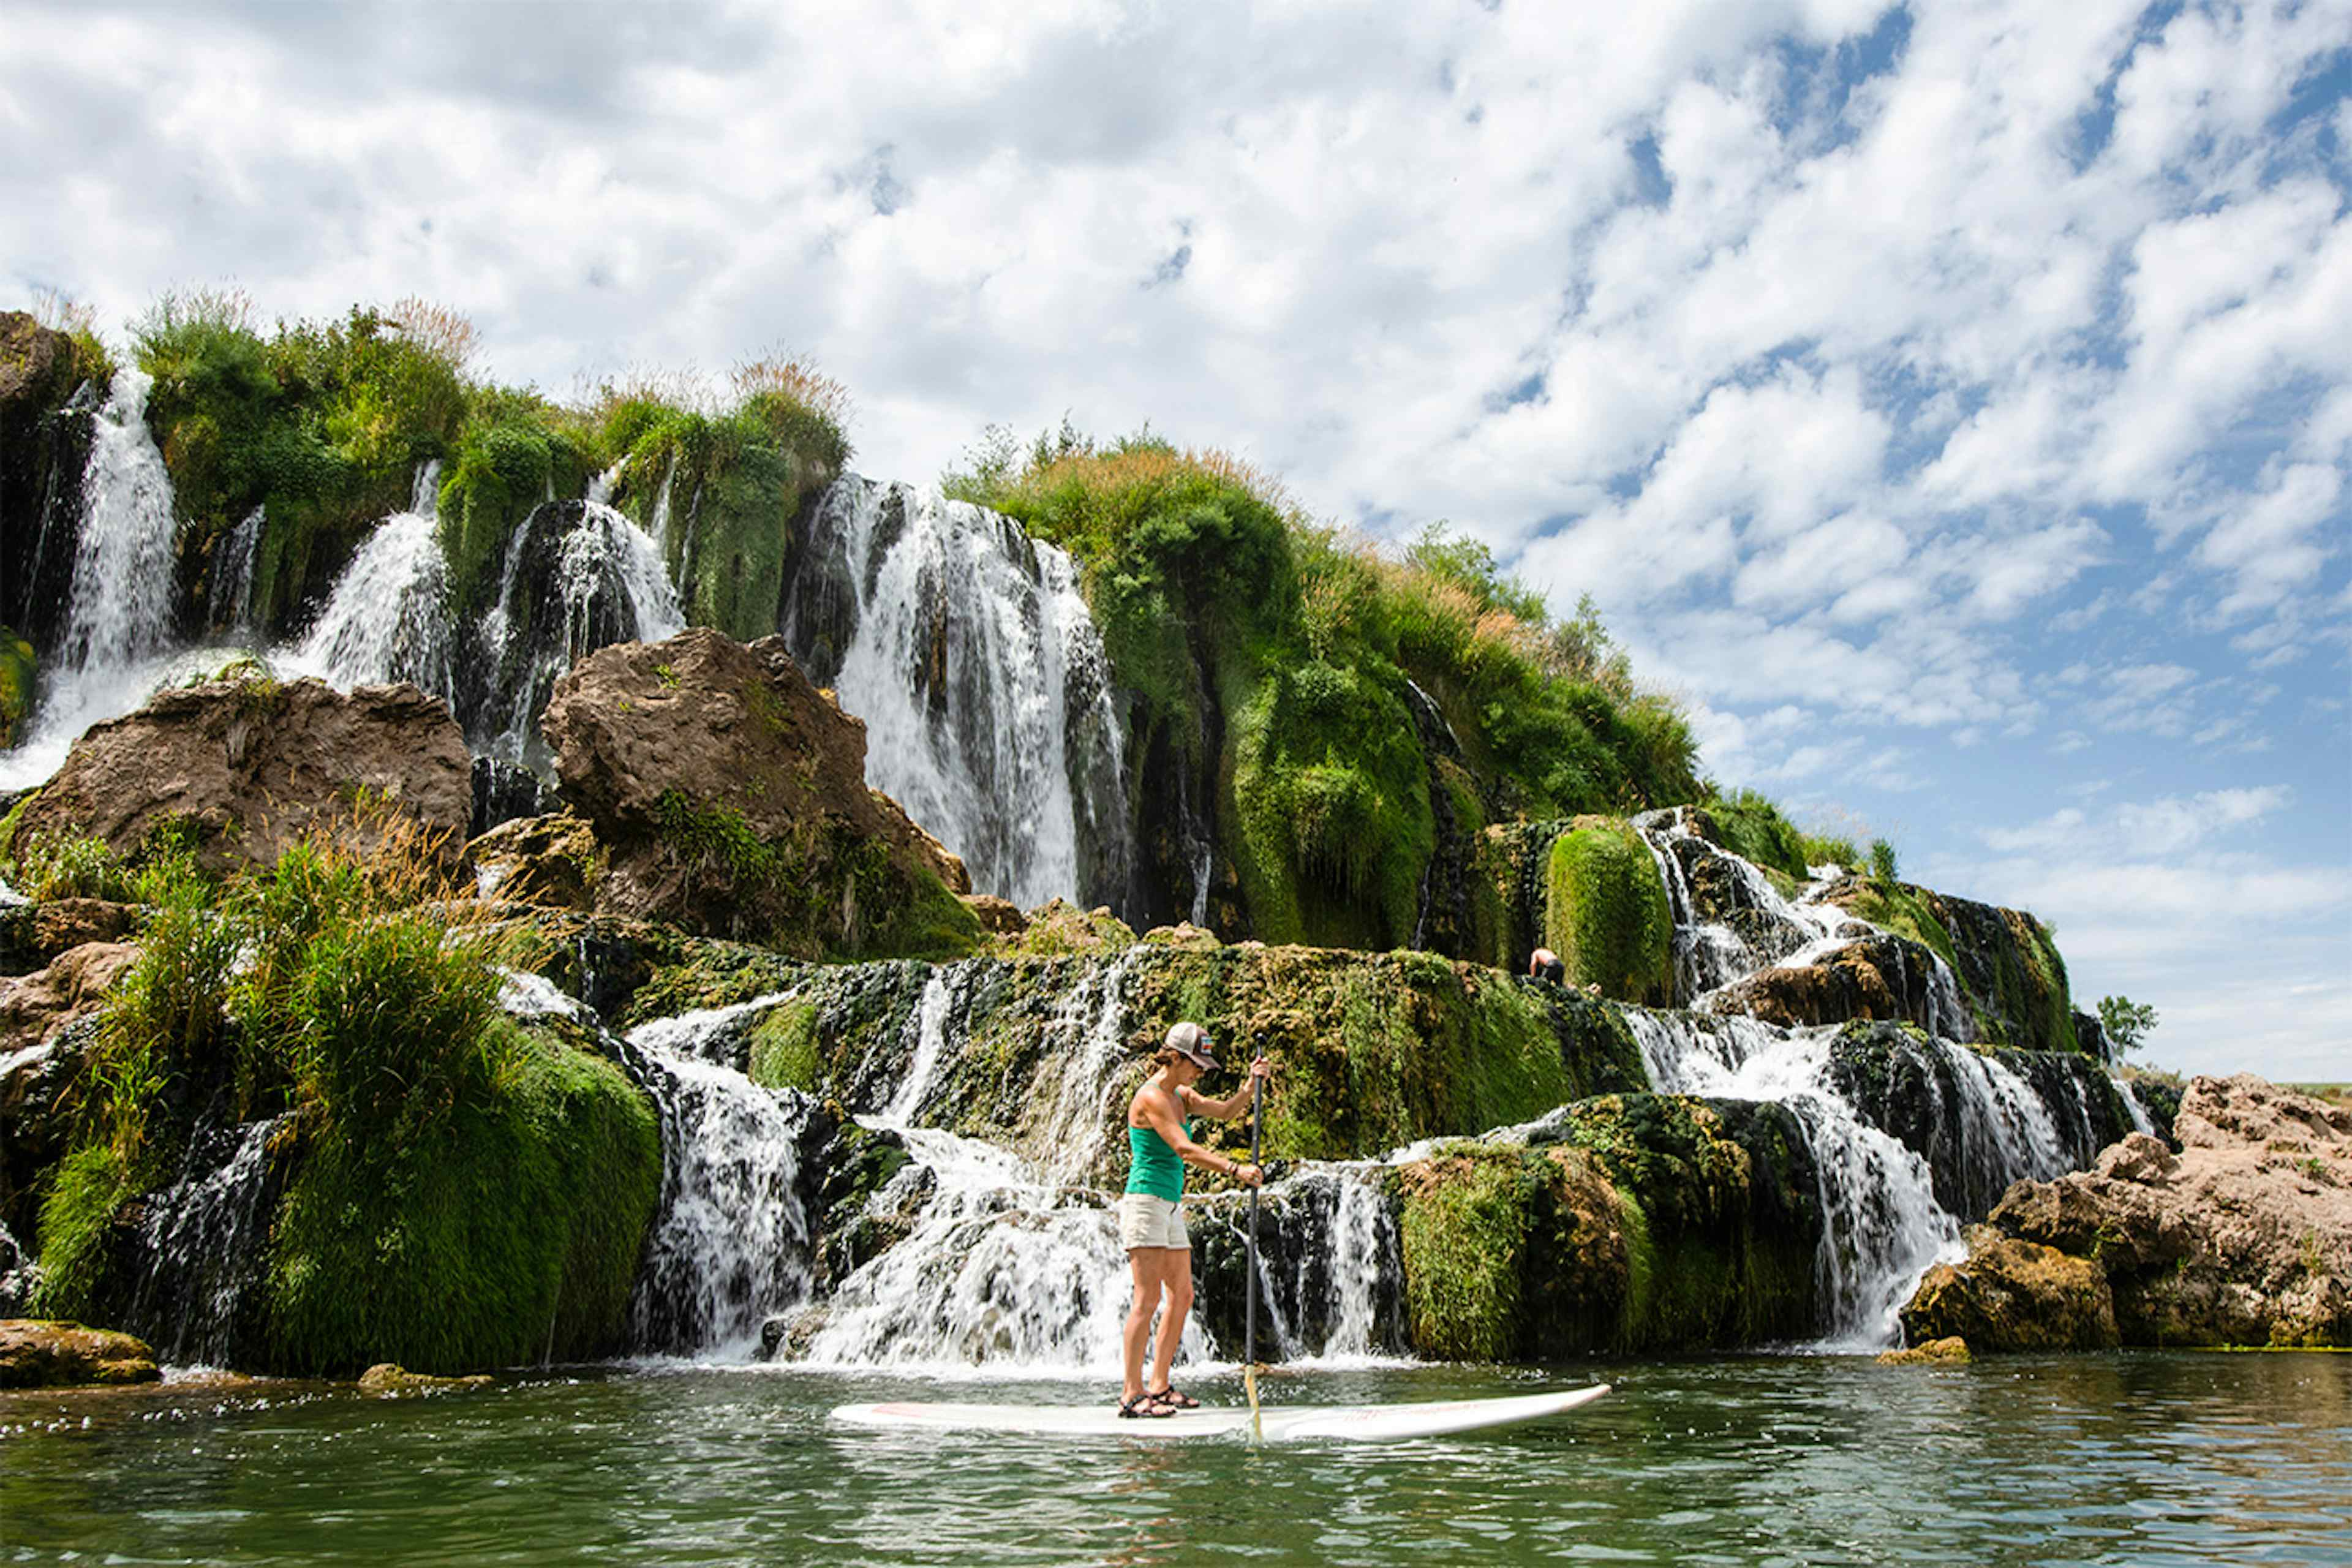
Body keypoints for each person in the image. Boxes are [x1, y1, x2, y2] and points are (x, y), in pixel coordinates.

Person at [1117, 1021, 1269, 1418]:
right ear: (1176, 1058)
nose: (1201, 1072)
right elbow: (1183, 1147)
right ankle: (1132, 1395)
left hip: (1168, 1205)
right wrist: (1235, 1171)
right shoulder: (1151, 1097)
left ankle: (1160, 1385)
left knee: (1182, 1296)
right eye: (1196, 1064)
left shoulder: (1181, 1093)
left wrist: (1249, 1088)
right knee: (1146, 1299)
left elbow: (1224, 1112)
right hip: (1145, 1202)